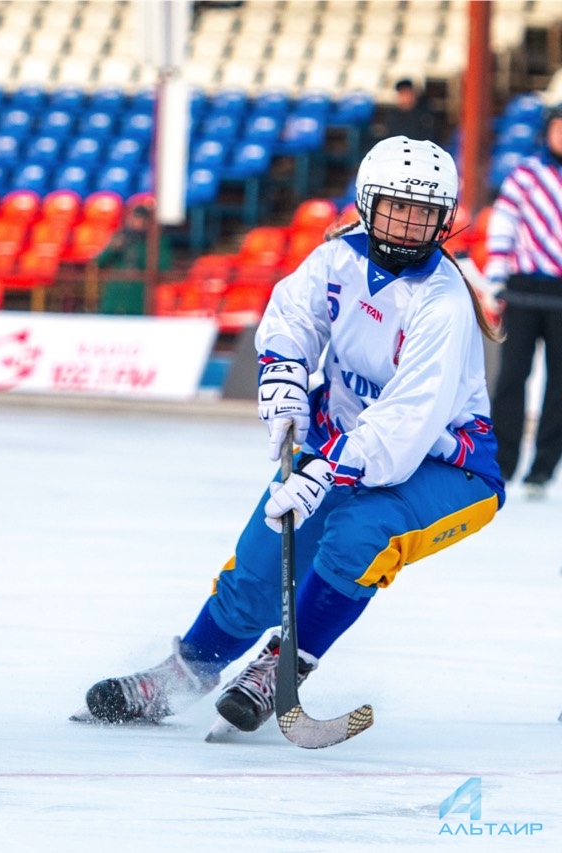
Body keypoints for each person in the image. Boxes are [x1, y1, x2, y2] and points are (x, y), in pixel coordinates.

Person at [82, 136, 503, 734]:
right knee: (255, 572)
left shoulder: (443, 303)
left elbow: (407, 423)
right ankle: (179, 678)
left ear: (445, 220)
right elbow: (294, 316)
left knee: (359, 534)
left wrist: (323, 472)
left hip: (445, 468)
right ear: (366, 203)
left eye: (425, 213)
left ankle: (280, 666)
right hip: (341, 448)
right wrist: (282, 374)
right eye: (395, 207)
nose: (409, 225)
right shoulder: (336, 260)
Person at [484, 104, 562, 501]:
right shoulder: (526, 175)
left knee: (560, 385)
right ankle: (502, 462)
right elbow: (503, 222)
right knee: (512, 377)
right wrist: (497, 277)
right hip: (523, 288)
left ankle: (542, 469)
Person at [94, 194, 172, 315]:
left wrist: (144, 255)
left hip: (139, 298)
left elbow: (163, 266)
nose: (137, 222)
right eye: (135, 218)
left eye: (141, 219)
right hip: (115, 296)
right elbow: (100, 262)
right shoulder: (120, 236)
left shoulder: (157, 241)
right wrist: (113, 248)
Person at [376, 78, 441, 145]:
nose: (404, 97)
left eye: (406, 93)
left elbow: (430, 139)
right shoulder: (393, 116)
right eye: (401, 94)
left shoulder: (425, 116)